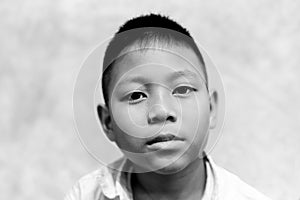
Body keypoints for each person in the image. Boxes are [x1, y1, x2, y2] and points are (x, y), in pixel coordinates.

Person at [65, 13, 271, 200]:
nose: (161, 112)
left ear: (211, 109)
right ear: (108, 123)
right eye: (137, 95)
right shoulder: (85, 195)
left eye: (182, 90)